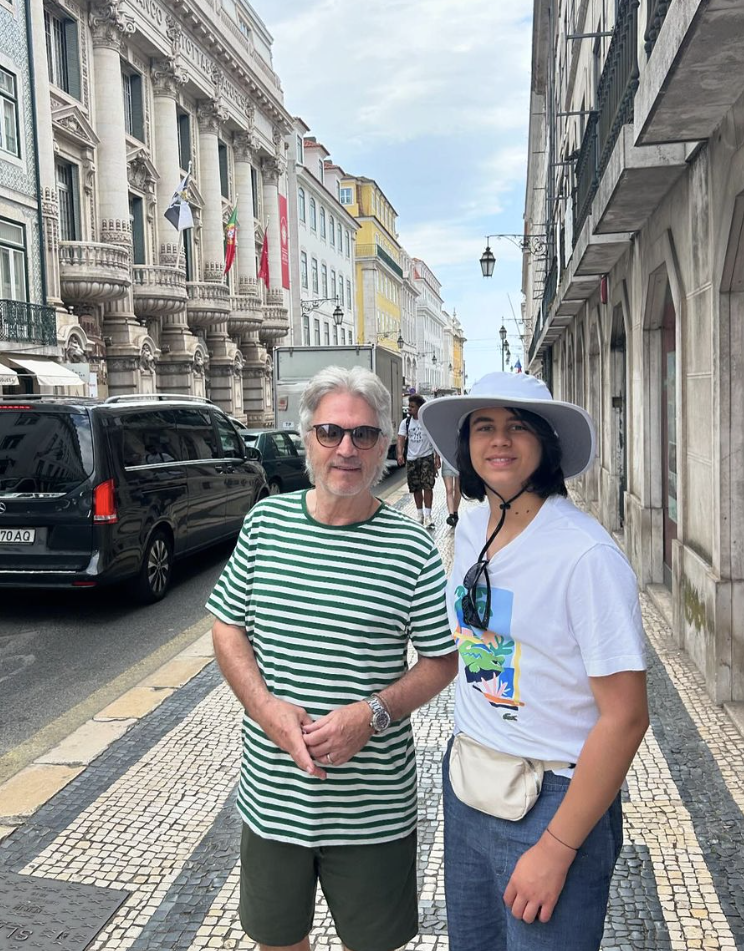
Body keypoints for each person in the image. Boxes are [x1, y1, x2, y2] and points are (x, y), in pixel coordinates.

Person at [207, 366, 458, 951]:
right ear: (307, 441)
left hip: (373, 812)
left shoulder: (412, 548)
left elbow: (441, 660)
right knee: (278, 940)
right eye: (330, 432)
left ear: (384, 448)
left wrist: (370, 714)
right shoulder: (264, 525)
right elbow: (226, 625)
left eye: (363, 435)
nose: (346, 448)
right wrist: (266, 708)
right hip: (273, 800)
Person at [420, 372, 648, 951]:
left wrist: (557, 847)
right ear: (467, 445)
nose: (500, 441)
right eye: (485, 427)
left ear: (545, 443)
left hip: (552, 798)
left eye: (518, 427)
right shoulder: (471, 529)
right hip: (469, 781)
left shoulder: (586, 555)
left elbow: (625, 718)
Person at [397, 394, 440, 529]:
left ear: (419, 408)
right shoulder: (406, 423)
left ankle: (428, 515)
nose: (409, 409)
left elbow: (435, 439)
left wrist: (437, 457)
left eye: (412, 407)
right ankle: (419, 514)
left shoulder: (427, 421)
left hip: (426, 457)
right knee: (415, 487)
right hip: (412, 459)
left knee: (427, 486)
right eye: (409, 406)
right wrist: (399, 453)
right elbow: (401, 438)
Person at [441, 460, 461, 527]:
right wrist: (437, 457)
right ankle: (451, 515)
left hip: (459, 460)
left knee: (458, 489)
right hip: (447, 461)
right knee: (449, 489)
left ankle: (455, 511)